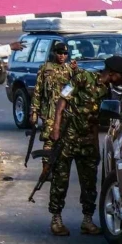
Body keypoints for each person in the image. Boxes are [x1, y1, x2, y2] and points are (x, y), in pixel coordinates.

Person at [48, 56, 122, 236]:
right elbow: (62, 100)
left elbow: (96, 121)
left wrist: (95, 145)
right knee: (60, 180)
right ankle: (56, 219)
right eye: (121, 76)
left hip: (87, 141)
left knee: (89, 183)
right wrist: (55, 128)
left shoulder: (106, 92)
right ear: (111, 73)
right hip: (67, 137)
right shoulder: (83, 77)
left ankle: (87, 220)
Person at [29, 42, 76, 176]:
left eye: (65, 53)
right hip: (49, 111)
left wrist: (76, 70)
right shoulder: (45, 69)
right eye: (59, 53)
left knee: (64, 142)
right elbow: (37, 91)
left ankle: (59, 170)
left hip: (65, 112)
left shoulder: (70, 70)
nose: (62, 56)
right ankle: (46, 170)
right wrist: (34, 112)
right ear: (54, 53)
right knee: (49, 140)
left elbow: (76, 89)